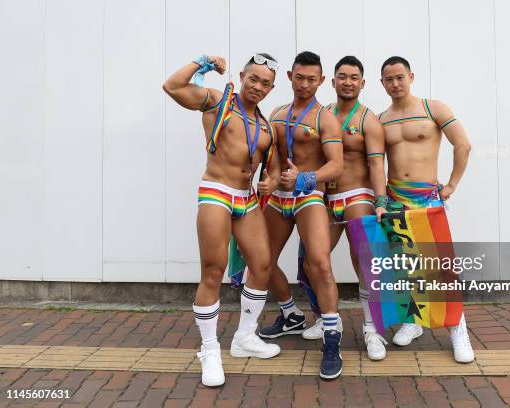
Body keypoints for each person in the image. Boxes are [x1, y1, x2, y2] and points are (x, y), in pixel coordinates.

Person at [163, 53, 282, 387]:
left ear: (271, 88)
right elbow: (172, 86)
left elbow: (270, 168)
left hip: (246, 199)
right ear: (242, 76)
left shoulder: (265, 125)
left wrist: (271, 180)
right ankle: (210, 349)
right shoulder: (219, 101)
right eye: (254, 79)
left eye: (265, 84)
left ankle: (245, 337)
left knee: (262, 265)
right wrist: (201, 63)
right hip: (216, 191)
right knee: (212, 271)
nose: (258, 87)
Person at [378, 56, 474, 363]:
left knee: (439, 267)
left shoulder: (434, 108)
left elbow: (463, 144)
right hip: (395, 197)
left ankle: (458, 329)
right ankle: (413, 320)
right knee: (404, 265)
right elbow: (375, 162)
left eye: (399, 77)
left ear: (411, 76)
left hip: (427, 197)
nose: (395, 83)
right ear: (382, 83)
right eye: (389, 79)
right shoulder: (381, 119)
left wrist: (452, 184)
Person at [295, 56, 390, 361]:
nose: (347, 82)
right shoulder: (322, 114)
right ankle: (326, 317)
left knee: (364, 261)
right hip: (326, 199)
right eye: (342, 76)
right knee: (313, 262)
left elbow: (377, 163)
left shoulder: (369, 120)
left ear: (362, 83)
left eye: (354, 77)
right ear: (332, 81)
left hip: (357, 195)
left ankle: (372, 328)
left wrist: (380, 200)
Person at [257, 51, 345, 379]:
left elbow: (337, 164)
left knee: (319, 263)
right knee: (260, 261)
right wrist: (267, 180)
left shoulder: (326, 118)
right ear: (290, 77)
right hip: (279, 199)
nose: (305, 84)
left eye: (312, 79)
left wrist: (306, 178)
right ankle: (290, 314)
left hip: (309, 196)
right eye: (300, 77)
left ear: (321, 81)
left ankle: (332, 338)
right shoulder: (277, 114)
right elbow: (271, 155)